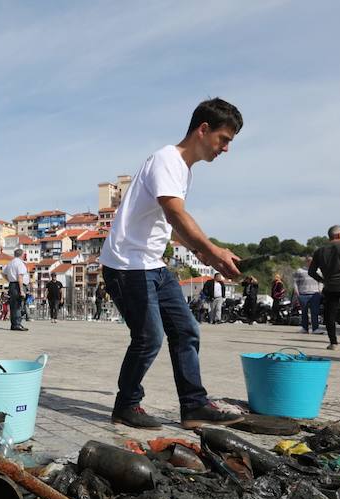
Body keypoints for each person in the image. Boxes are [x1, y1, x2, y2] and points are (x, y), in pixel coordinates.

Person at [98, 97, 245, 430]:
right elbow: (175, 213)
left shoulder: (184, 170)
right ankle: (126, 405)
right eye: (224, 139)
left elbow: (169, 224)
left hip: (151, 263)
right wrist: (212, 250)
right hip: (126, 264)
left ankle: (193, 407)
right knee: (149, 337)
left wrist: (207, 254)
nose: (225, 149)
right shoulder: (167, 159)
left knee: (186, 330)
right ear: (203, 130)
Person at [292, 257, 322, 333]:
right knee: (304, 312)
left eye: (312, 261)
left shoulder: (318, 271)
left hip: (315, 294)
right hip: (303, 294)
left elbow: (321, 281)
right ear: (306, 261)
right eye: (309, 261)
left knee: (314, 312)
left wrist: (320, 290)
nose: (310, 262)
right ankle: (305, 328)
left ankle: (315, 329)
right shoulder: (299, 271)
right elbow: (295, 282)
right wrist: (297, 292)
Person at [2, 249, 29, 331]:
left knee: (13, 305)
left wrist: (10, 280)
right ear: (22, 255)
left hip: (12, 285)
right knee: (18, 305)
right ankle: (17, 324)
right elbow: (20, 276)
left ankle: (13, 324)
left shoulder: (10, 263)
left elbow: (3, 273)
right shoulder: (20, 263)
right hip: (18, 285)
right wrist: (21, 290)